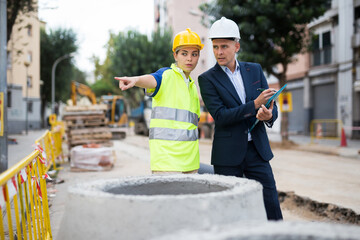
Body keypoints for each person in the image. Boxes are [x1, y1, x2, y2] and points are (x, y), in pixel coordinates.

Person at [198, 17, 283, 220]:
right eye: (216, 47)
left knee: (270, 203)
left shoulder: (254, 70)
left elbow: (271, 105)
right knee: (231, 210)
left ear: (236, 46)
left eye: (224, 47)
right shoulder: (207, 79)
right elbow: (220, 116)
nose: (219, 52)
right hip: (227, 157)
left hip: (257, 151)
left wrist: (268, 114)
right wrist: (254, 105)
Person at [114, 28, 203, 174]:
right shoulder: (167, 75)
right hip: (167, 164)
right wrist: (136, 80)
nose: (189, 59)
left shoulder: (192, 87)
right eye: (184, 53)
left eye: (194, 54)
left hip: (191, 164)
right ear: (175, 55)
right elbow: (152, 80)